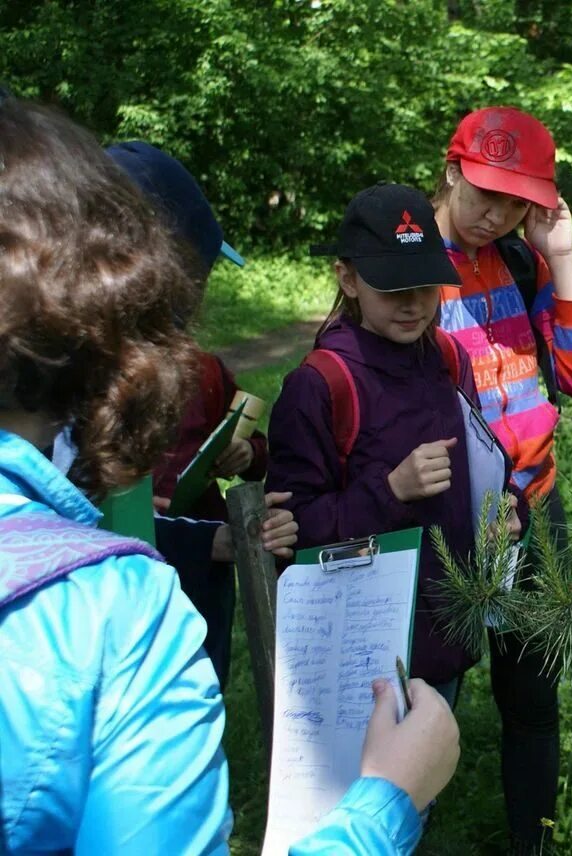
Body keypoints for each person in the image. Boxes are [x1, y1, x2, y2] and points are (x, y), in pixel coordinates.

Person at [0, 94, 459, 854]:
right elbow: (301, 518)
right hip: (348, 631)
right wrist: (385, 808)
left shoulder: (441, 360)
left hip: (432, 612)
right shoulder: (114, 618)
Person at [432, 105, 572, 854]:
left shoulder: (524, 261)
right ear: (450, 173)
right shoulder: (404, 259)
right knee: (425, 697)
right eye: (483, 195)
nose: (495, 215)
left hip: (534, 508)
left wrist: (561, 258)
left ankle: (530, 844)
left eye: (515, 203)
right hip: (440, 520)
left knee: (532, 699)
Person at [267, 183, 513, 709]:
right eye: (391, 288)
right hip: (361, 648)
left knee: (426, 784)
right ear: (347, 279)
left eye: (426, 286)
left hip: (446, 628)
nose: (412, 304)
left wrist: (507, 511)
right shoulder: (319, 385)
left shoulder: (447, 358)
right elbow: (295, 534)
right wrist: (392, 489)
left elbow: (480, 464)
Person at [106, 139, 273, 688]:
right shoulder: (89, 385)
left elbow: (252, 443)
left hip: (203, 577)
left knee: (204, 683)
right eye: (195, 277)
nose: (200, 294)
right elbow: (100, 520)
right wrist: (200, 540)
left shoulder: (203, 370)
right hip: (137, 593)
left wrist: (246, 450)